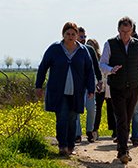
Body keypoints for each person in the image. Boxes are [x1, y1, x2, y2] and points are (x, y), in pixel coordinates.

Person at [35, 22, 96, 157]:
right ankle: (62, 145)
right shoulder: (55, 49)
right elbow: (43, 67)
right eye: (67, 34)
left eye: (73, 34)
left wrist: (91, 88)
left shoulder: (82, 51)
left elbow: (89, 71)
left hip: (77, 91)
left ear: (77, 36)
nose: (70, 36)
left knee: (73, 118)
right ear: (63, 34)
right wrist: (38, 85)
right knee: (62, 117)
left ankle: (70, 146)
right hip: (59, 91)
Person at [98, 16, 138, 164]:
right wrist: (111, 69)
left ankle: (122, 148)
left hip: (133, 87)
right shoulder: (110, 44)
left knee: (127, 118)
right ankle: (123, 151)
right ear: (118, 30)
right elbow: (102, 64)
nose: (124, 35)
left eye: (127, 32)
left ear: (132, 31)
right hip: (116, 87)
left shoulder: (137, 45)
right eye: (122, 31)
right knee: (121, 118)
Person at [74, 27, 102, 142]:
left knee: (91, 109)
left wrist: (99, 81)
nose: (83, 39)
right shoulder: (72, 50)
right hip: (76, 85)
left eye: (84, 37)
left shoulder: (90, 50)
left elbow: (96, 67)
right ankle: (77, 134)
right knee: (76, 110)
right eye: (81, 37)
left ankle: (89, 130)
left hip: (89, 84)